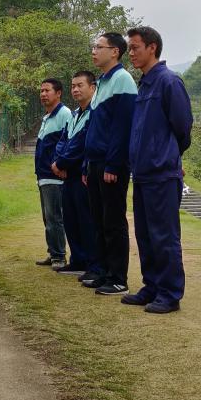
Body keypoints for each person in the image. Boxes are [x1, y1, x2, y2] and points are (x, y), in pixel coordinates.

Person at [123, 27, 193, 314]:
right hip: (142, 174)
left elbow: (183, 128)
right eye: (129, 48)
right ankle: (151, 286)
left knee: (164, 236)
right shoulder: (144, 84)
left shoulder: (168, 82)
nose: (130, 53)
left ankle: (170, 293)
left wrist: (167, 155)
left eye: (135, 47)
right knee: (145, 235)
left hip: (162, 173)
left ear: (152, 47)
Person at [82, 32, 137, 296]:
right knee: (98, 220)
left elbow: (122, 127)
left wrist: (114, 165)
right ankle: (102, 271)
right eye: (93, 47)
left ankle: (118, 278)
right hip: (95, 162)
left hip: (110, 163)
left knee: (113, 221)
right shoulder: (102, 82)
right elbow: (95, 127)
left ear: (115, 51)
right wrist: (86, 164)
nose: (94, 51)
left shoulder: (122, 80)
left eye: (99, 47)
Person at [50, 71, 100, 277]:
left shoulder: (94, 113)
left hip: (82, 175)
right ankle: (77, 260)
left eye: (80, 85)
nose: (75, 90)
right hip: (67, 176)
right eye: (73, 86)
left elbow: (80, 144)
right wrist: (57, 162)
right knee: (70, 219)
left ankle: (92, 263)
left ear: (92, 88)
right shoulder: (73, 114)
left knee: (86, 220)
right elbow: (63, 141)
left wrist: (61, 163)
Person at [34, 78, 71, 270]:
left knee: (55, 217)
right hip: (43, 176)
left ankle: (59, 256)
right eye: (41, 91)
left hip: (54, 176)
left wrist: (61, 164)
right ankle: (53, 251)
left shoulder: (64, 114)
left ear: (58, 93)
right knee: (47, 217)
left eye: (47, 90)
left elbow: (68, 142)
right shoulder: (47, 117)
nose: (43, 94)